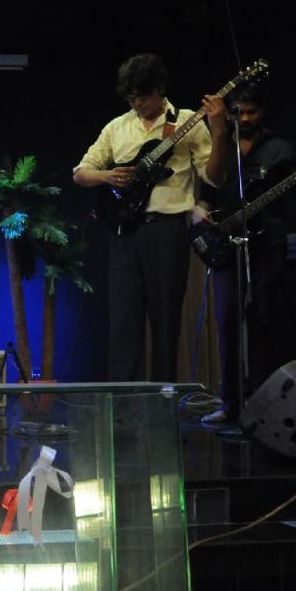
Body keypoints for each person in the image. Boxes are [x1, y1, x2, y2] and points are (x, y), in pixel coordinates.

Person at [73, 53, 231, 383]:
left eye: (143, 97)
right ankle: (124, 401)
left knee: (166, 321)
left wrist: (218, 133)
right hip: (124, 232)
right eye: (131, 98)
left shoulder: (186, 121)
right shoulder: (118, 126)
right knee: (123, 324)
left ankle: (163, 398)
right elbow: (81, 173)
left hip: (167, 231)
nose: (137, 104)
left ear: (159, 89)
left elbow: (215, 178)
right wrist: (107, 176)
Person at [193, 82, 296, 421]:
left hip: (268, 244)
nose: (245, 119)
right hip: (226, 246)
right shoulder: (219, 146)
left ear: (263, 112)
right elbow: (206, 193)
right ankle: (230, 404)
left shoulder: (280, 149)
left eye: (252, 112)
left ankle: (264, 405)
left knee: (263, 323)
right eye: (238, 113)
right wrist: (198, 210)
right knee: (227, 322)